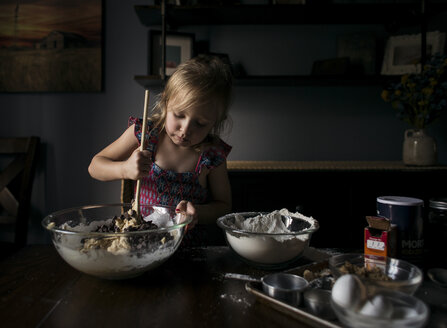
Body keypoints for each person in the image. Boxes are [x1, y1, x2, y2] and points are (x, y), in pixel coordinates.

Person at [88, 55, 233, 230]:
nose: (185, 129)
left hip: (188, 246)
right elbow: (95, 166)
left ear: (216, 121)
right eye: (179, 115)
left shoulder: (212, 154)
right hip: (141, 239)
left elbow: (224, 206)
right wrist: (125, 169)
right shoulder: (145, 134)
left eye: (200, 123)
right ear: (165, 101)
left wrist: (198, 213)